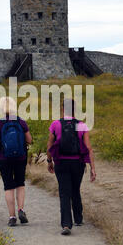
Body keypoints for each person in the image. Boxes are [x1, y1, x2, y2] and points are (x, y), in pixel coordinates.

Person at [46, 98, 96, 235]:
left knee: (64, 192)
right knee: (75, 189)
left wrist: (49, 161)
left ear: (63, 108)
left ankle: (66, 225)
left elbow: (50, 145)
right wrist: (92, 168)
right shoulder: (81, 125)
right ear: (75, 109)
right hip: (78, 163)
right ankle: (78, 218)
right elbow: (89, 148)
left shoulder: (55, 124)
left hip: (61, 163)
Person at [0, 97, 33, 226]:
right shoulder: (21, 121)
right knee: (20, 183)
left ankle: (12, 217)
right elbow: (30, 140)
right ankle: (21, 209)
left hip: (4, 158)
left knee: (8, 187)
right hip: (20, 157)